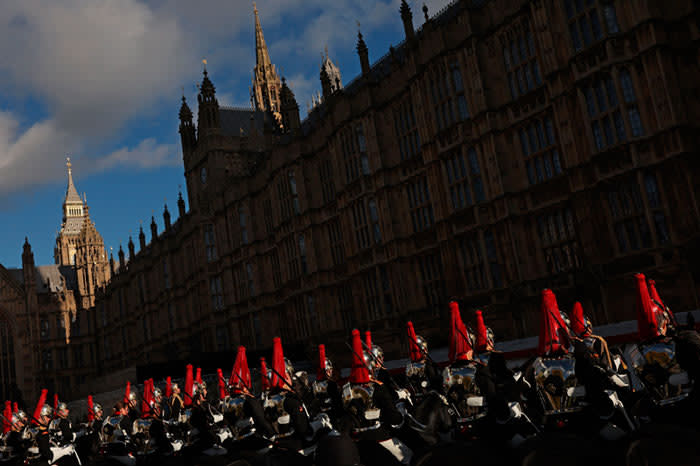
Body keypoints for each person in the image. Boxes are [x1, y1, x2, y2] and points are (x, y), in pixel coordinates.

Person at [341, 329, 411, 466]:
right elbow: (393, 417)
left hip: (355, 441)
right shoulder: (377, 387)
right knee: (407, 455)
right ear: (370, 367)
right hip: (378, 437)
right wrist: (401, 414)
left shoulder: (345, 389)